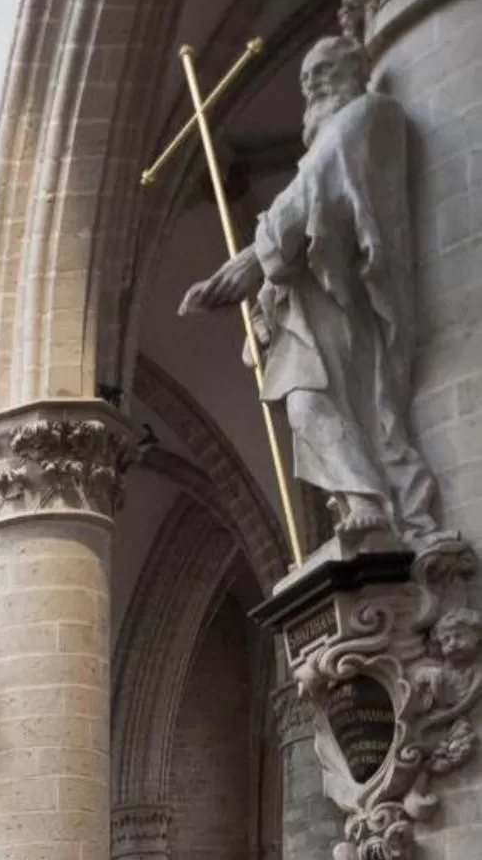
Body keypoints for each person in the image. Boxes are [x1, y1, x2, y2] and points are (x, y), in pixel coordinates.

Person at [181, 35, 443, 548]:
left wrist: (254, 260)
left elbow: (314, 195)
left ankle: (369, 498)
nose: (311, 84)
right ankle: (360, 498)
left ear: (353, 71)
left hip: (344, 299)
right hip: (308, 305)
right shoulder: (324, 144)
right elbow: (305, 198)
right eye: (305, 78)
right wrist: (260, 311)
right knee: (305, 404)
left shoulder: (367, 116)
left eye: (323, 71)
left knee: (320, 402)